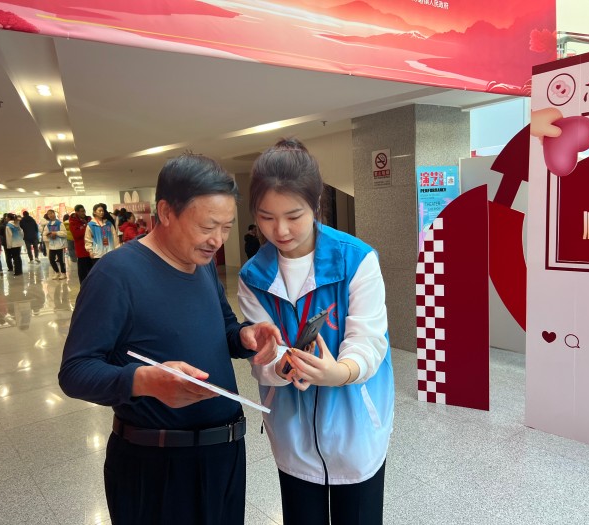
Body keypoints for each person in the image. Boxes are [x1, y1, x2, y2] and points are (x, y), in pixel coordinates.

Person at [59, 154, 282, 525]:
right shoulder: (116, 274)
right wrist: (145, 381)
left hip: (224, 454)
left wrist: (245, 335)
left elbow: (224, 328)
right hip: (158, 465)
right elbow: (75, 371)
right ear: (165, 212)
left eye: (226, 227)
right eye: (207, 226)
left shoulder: (201, 265)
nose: (217, 240)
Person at [238, 139, 394, 525]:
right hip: (291, 431)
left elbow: (368, 339)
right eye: (266, 217)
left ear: (316, 203)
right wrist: (281, 366)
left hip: (357, 427)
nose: (280, 230)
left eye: (294, 215)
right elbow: (263, 356)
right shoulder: (253, 276)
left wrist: (338, 372)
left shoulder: (356, 259)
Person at [69, 204, 92, 284]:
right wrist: (86, 227)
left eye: (84, 211)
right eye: (81, 211)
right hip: (81, 249)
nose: (83, 213)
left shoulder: (89, 219)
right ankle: (83, 287)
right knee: (83, 272)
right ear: (76, 212)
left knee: (91, 270)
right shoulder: (73, 222)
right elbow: (76, 234)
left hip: (91, 249)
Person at [42, 209, 68, 280]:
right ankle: (57, 272)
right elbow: (45, 234)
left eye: (51, 213)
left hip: (60, 245)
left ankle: (63, 273)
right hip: (52, 245)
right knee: (51, 259)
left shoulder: (60, 223)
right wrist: (49, 235)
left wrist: (56, 233)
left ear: (54, 213)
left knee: (61, 260)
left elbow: (64, 233)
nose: (50, 215)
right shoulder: (48, 225)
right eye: (48, 214)